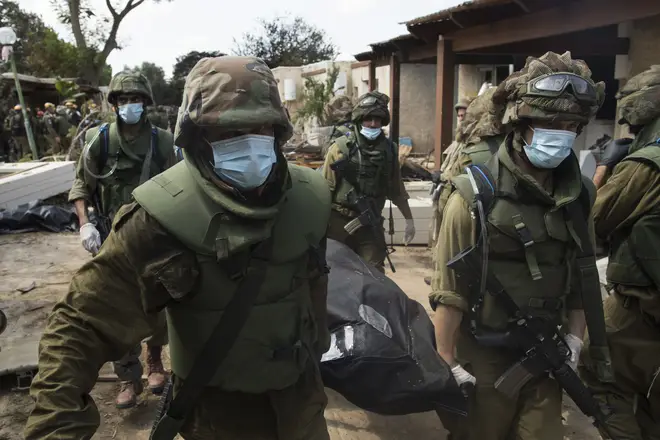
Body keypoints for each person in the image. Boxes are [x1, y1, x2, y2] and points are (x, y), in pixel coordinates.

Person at [24, 55, 332, 440]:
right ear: (197, 137)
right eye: (229, 134)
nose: (251, 148)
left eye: (262, 130)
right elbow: (80, 325)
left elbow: (316, 282)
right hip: (216, 419)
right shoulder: (157, 220)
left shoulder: (311, 199)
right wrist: (56, 426)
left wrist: (321, 344)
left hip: (303, 407)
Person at [430, 51, 612, 440]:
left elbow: (582, 274)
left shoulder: (579, 194)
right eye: (549, 123)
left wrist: (576, 338)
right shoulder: (476, 193)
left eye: (570, 125)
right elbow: (449, 288)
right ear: (522, 123)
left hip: (547, 350)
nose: (560, 133)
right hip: (485, 354)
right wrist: (445, 358)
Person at [68, 71, 175, 409]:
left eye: (136, 99)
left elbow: (179, 184)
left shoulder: (162, 141)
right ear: (114, 104)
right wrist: (86, 224)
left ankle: (155, 360)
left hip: (154, 234)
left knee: (157, 300)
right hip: (112, 237)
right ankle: (129, 377)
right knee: (117, 306)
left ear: (146, 103)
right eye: (124, 99)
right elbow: (81, 186)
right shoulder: (98, 141)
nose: (131, 105)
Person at [579, 65, 660, 440]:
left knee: (599, 374)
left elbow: (593, 219)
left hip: (641, 308)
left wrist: (606, 168)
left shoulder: (646, 164)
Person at [321, 91, 415, 272]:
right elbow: (325, 189)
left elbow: (397, 190)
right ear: (359, 119)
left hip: (370, 224)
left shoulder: (390, 150)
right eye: (368, 119)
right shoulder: (340, 148)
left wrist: (409, 220)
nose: (373, 124)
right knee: (335, 272)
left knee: (374, 274)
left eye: (377, 120)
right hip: (340, 222)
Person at [425, 89, 506, 285]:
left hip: (466, 204)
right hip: (446, 197)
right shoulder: (460, 141)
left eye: (464, 114)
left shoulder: (481, 145)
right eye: (459, 115)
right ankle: (439, 276)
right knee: (440, 242)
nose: (461, 118)